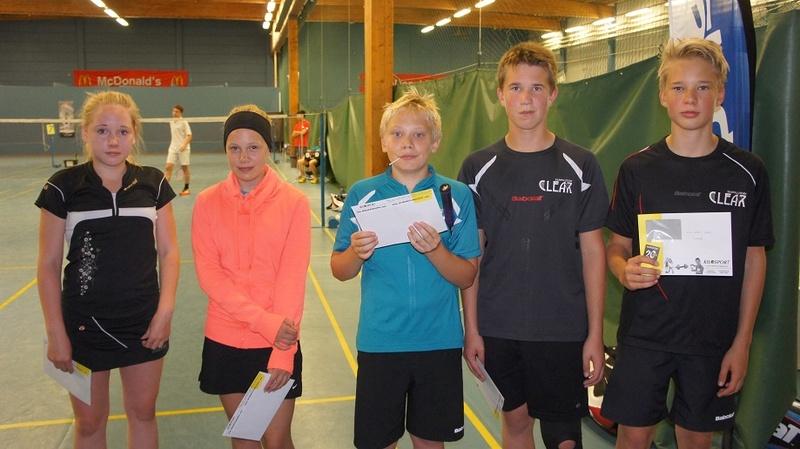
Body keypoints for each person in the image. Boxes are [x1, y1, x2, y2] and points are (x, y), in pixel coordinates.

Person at [602, 38, 773, 449]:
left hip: (712, 340)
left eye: (703, 87)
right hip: (644, 335)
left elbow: (754, 259)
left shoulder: (748, 172)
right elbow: (616, 247)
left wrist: (742, 343)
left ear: (720, 95)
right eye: (679, 87)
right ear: (663, 94)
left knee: (696, 440)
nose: (690, 98)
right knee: (633, 438)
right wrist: (623, 270)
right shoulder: (636, 168)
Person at [457, 41, 608, 449]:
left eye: (537, 88)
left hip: (562, 329)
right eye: (516, 88)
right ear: (500, 94)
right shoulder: (477, 168)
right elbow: (472, 255)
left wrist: (595, 334)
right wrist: (472, 329)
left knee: (564, 437)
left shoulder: (581, 165)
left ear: (553, 94)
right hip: (498, 326)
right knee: (517, 423)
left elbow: (594, 253)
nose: (526, 99)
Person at [330, 90, 480, 449]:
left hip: (438, 342)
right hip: (381, 342)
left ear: (435, 142)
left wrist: (436, 250)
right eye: (397, 134)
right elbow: (339, 269)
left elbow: (467, 275)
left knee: (430, 441)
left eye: (419, 134)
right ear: (383, 142)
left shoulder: (456, 195)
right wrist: (356, 253)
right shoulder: (362, 194)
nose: (407, 143)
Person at [36, 90, 179, 449]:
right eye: (102, 130)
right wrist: (56, 332)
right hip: (83, 325)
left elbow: (170, 252)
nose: (113, 141)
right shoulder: (62, 187)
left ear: (134, 134)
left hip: (143, 322)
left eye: (122, 131)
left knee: (143, 413)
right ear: (85, 132)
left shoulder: (154, 183)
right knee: (89, 423)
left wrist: (164, 313)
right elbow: (48, 264)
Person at [192, 104, 310, 449]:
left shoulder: (293, 203)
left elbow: (291, 279)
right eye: (235, 148)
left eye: (253, 147)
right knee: (244, 438)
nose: (244, 158)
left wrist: (283, 350)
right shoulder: (207, 202)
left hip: (277, 342)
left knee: (277, 440)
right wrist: (263, 321)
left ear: (268, 149)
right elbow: (210, 276)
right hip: (225, 340)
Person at [164, 104, 192, 196]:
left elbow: (189, 135)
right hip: (173, 148)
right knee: (168, 167)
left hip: (183, 149)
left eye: (176, 111)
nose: (174, 113)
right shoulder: (171, 122)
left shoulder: (184, 122)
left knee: (185, 168)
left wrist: (184, 144)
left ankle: (186, 188)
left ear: (180, 113)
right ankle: (164, 189)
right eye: (173, 111)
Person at [291, 110, 310, 181]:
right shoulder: (297, 124)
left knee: (303, 160)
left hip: (303, 145)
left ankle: (305, 175)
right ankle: (301, 175)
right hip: (297, 145)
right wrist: (299, 132)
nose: (296, 116)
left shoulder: (307, 123)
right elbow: (293, 134)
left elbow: (303, 132)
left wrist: (297, 132)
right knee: (298, 160)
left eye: (298, 115)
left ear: (302, 115)